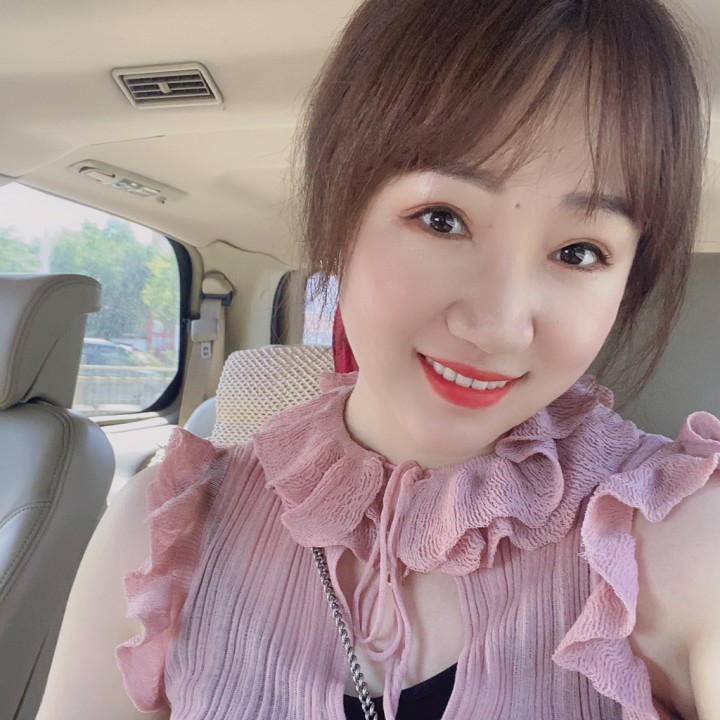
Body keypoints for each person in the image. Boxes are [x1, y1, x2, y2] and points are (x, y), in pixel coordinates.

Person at [38, 0, 720, 718]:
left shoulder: (679, 542)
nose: (497, 326)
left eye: (579, 252)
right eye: (442, 219)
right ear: (342, 216)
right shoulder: (160, 537)